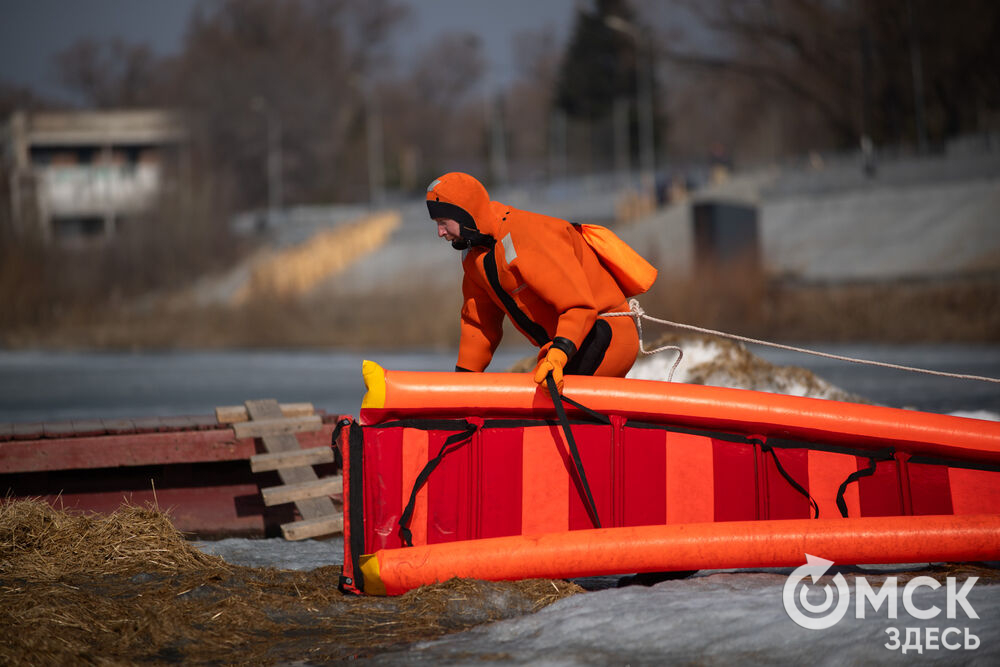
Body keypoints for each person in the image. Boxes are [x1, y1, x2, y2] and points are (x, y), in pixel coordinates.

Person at [426, 172, 654, 391]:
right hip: (563, 347)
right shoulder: (474, 256)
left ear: (465, 213)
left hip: (603, 334)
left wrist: (559, 353)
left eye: (443, 221)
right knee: (527, 402)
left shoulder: (526, 235)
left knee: (535, 406)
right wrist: (462, 385)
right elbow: (479, 325)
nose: (440, 232)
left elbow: (579, 307)